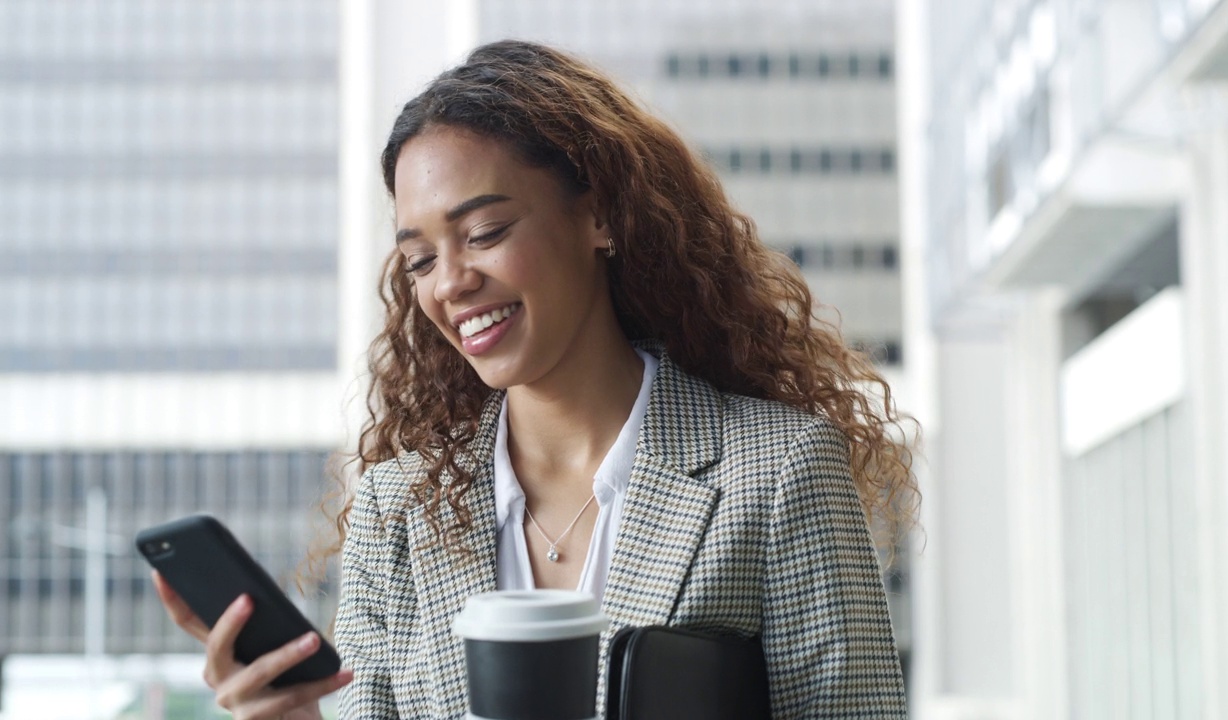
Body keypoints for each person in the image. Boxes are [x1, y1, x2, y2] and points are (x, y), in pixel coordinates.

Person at [154, 39, 918, 719]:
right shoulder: (400, 509)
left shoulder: (779, 470)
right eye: (419, 260)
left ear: (600, 216)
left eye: (485, 233)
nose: (449, 282)